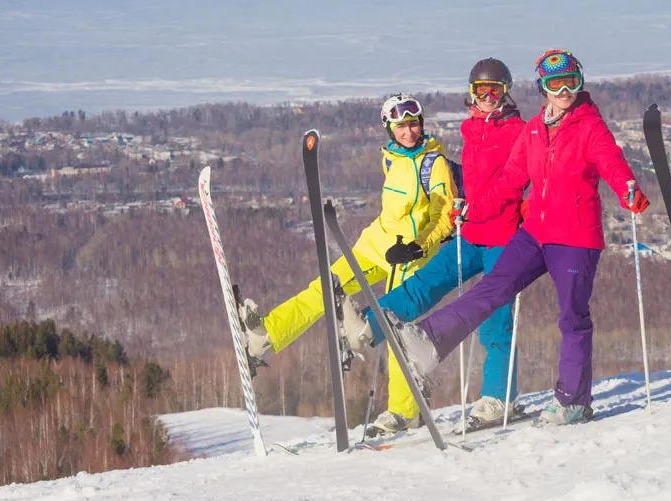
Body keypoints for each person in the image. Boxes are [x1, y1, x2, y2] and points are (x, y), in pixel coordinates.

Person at [369, 49, 650, 426]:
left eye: (571, 82)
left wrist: (626, 186)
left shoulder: (589, 126)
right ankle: (429, 340)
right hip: (536, 232)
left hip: (576, 237)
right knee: (492, 289)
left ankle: (573, 400)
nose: (564, 90)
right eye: (555, 83)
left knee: (572, 317)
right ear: (543, 88)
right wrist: (473, 212)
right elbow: (509, 182)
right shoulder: (535, 129)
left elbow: (611, 161)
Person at [240, 93, 456, 434]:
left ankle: (403, 410)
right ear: (389, 129)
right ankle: (266, 335)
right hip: (375, 246)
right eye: (401, 127)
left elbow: (444, 214)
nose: (409, 132)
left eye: (413, 124)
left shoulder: (434, 162)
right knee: (324, 288)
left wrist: (417, 246)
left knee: (396, 324)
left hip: (409, 256)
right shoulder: (390, 158)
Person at [339, 58, 528, 431]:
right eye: (480, 91)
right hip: (472, 231)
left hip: (505, 236)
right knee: (424, 283)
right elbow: (470, 175)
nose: (487, 98)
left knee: (495, 318)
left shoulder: (518, 131)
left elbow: (521, 178)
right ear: (471, 93)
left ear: (506, 92)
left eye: (494, 91)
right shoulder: (472, 128)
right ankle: (368, 327)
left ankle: (499, 396)